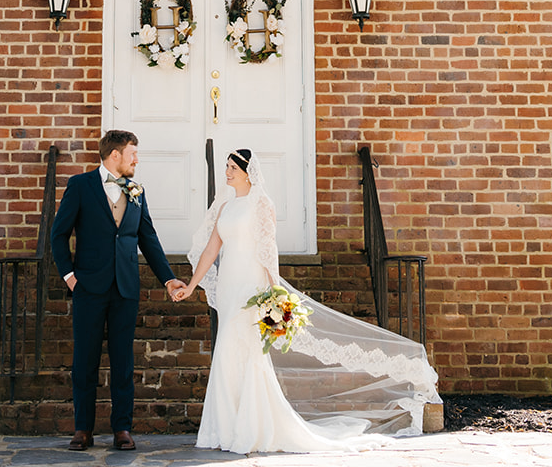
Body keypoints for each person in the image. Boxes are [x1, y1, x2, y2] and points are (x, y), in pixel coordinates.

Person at [173, 149, 440, 453]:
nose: (228, 171)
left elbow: (267, 251)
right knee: (227, 354)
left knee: (249, 354)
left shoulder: (261, 203)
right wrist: (193, 286)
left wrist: (274, 294)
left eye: (233, 167)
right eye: (227, 166)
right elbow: (210, 251)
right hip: (229, 286)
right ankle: (224, 429)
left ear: (248, 172)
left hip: (251, 286)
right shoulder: (224, 206)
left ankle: (253, 430)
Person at [51, 129, 185, 452]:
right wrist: (70, 277)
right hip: (89, 288)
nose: (137, 159)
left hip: (125, 288)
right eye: (133, 153)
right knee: (85, 361)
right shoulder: (80, 186)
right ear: (115, 156)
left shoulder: (137, 191)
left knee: (123, 362)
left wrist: (168, 279)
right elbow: (58, 235)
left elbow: (148, 239)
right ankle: (82, 429)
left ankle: (122, 429)